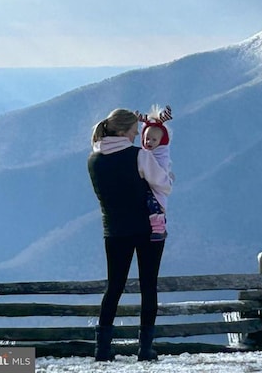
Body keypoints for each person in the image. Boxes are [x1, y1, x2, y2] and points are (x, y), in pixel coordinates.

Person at [87, 108, 173, 362]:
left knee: (114, 287)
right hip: (148, 229)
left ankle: (102, 349)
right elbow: (163, 183)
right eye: (135, 130)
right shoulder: (140, 156)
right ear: (124, 131)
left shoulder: (93, 159)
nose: (138, 135)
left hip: (113, 230)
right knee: (148, 286)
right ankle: (145, 349)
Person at [138, 105, 175, 242]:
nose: (149, 142)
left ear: (161, 141)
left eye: (154, 140)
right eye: (147, 139)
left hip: (155, 188)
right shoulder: (145, 154)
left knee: (153, 203)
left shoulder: (160, 155)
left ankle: (159, 226)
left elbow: (160, 173)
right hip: (149, 186)